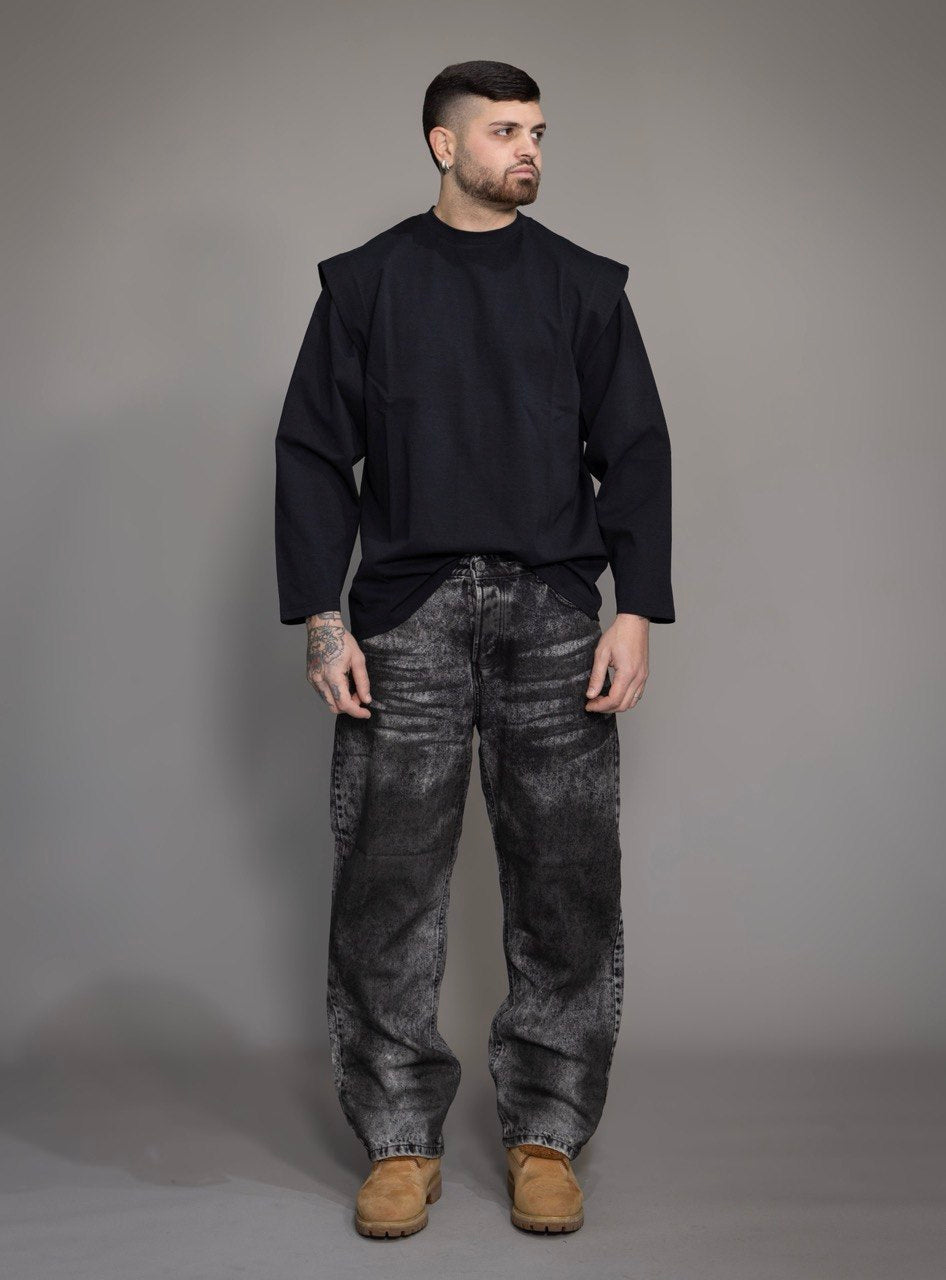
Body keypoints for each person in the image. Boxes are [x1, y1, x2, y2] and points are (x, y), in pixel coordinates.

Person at [274, 59, 675, 1238]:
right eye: (503, 130)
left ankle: (546, 1132)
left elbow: (636, 448)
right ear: (442, 145)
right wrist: (323, 618)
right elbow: (312, 452)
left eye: (537, 130)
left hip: (553, 611)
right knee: (387, 882)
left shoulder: (584, 285)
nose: (528, 148)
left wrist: (636, 608)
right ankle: (399, 1141)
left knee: (565, 880)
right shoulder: (365, 283)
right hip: (404, 614)